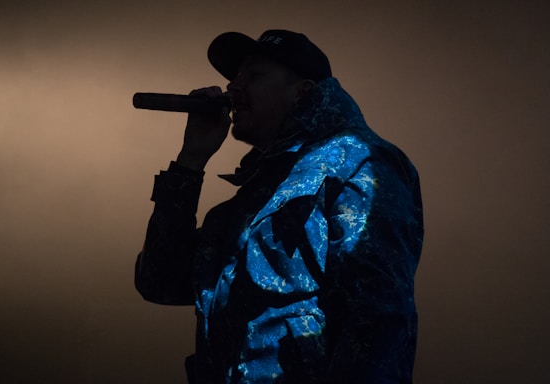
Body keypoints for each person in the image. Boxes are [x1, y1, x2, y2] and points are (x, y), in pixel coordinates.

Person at [135, 30, 424, 383]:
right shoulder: (255, 195)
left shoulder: (358, 161)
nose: (232, 87)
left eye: (254, 75)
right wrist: (190, 162)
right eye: (234, 77)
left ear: (303, 91)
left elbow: (377, 318)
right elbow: (160, 280)